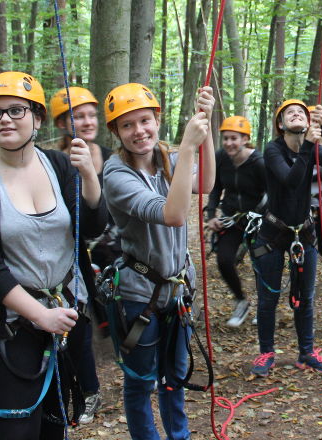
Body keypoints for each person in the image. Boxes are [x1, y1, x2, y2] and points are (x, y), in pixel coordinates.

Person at [0, 72, 106, 440]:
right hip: (13, 323)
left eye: (16, 110)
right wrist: (41, 315)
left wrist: (88, 175)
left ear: (37, 118)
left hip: (65, 314)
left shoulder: (58, 164)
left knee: (56, 424)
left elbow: (94, 227)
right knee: (19, 429)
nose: (4, 119)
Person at [101, 82, 214, 440]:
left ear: (157, 119)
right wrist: (189, 146)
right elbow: (174, 214)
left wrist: (205, 124)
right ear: (116, 132)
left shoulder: (168, 157)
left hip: (177, 288)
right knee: (141, 381)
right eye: (128, 125)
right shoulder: (116, 175)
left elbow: (206, 182)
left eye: (145, 121)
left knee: (174, 377)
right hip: (139, 293)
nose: (139, 131)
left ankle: (178, 436)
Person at [249, 99, 322, 377]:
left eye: (302, 112)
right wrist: (311, 148)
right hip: (273, 232)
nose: (297, 114)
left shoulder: (311, 147)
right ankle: (266, 352)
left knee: (306, 295)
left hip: (304, 231)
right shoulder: (273, 150)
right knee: (269, 297)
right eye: (290, 113)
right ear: (281, 125)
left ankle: (307, 352)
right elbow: (290, 179)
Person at [49, 86, 110, 424]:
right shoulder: (54, 162)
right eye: (77, 116)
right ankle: (86, 390)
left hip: (109, 244)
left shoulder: (110, 156)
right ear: (62, 124)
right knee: (77, 325)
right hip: (73, 254)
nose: (87, 122)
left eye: (90, 115)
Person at [204, 115, 266, 328]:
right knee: (224, 260)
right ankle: (241, 300)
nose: (229, 143)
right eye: (226, 138)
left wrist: (262, 216)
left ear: (245, 139)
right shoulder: (221, 158)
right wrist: (211, 215)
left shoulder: (258, 162)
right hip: (231, 218)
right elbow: (215, 187)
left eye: (234, 138)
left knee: (261, 264)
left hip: (256, 219)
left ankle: (264, 306)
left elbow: (270, 194)